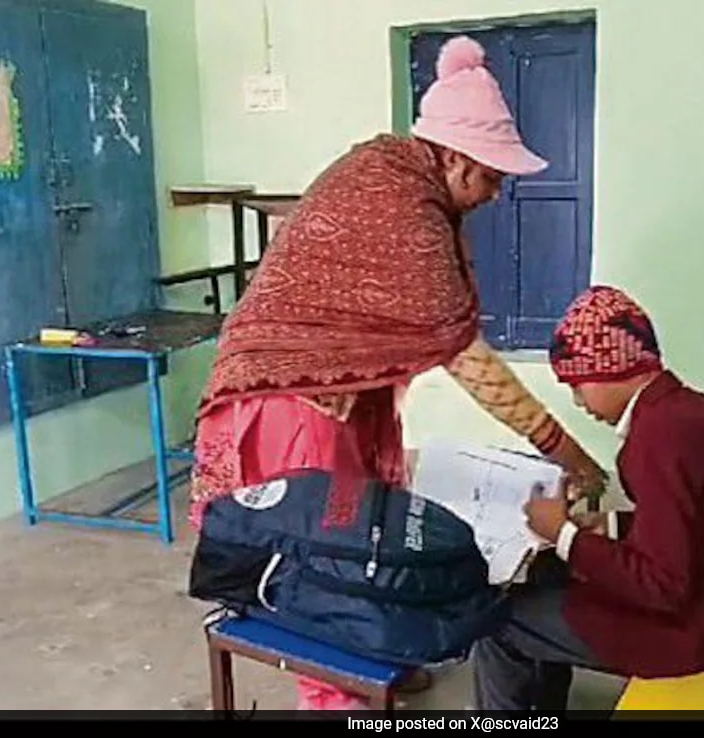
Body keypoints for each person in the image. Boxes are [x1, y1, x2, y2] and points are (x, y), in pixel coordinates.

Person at [187, 35, 608, 712]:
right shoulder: (399, 204)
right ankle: (335, 698)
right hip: (293, 395)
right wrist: (571, 456)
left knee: (370, 529)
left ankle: (372, 654)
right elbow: (471, 363)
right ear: (451, 156)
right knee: (323, 552)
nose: (497, 193)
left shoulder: (403, 181)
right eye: (491, 175)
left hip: (344, 392)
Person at [472, 285, 704, 713]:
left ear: (611, 368)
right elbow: (696, 524)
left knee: (497, 621)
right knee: (544, 574)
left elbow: (662, 586)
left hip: (692, 631)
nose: (579, 402)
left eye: (578, 385)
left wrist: (563, 535)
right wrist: (608, 528)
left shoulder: (658, 441)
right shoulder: (694, 413)